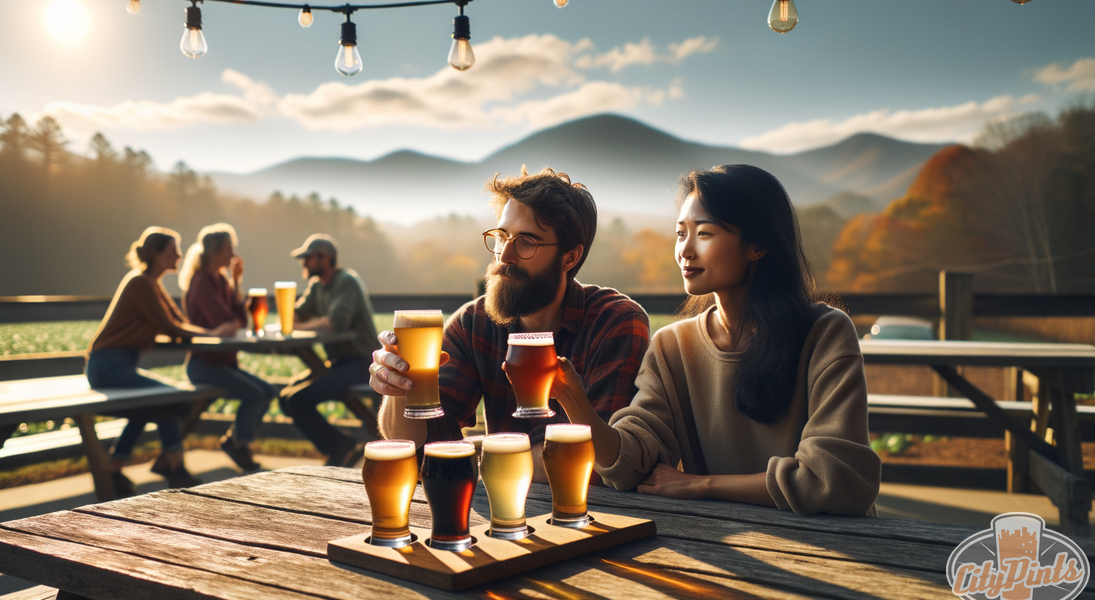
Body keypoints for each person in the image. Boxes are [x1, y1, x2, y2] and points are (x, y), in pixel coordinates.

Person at [549, 165, 881, 516]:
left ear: (757, 245)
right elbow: (630, 464)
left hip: (837, 545)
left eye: (704, 233)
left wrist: (701, 484)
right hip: (724, 539)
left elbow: (836, 480)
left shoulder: (825, 333)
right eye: (680, 234)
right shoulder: (673, 347)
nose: (685, 251)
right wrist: (574, 399)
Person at [370, 167, 651, 472]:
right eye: (502, 236)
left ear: (569, 257)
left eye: (527, 242)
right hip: (499, 505)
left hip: (596, 515)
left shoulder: (615, 323)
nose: (504, 255)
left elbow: (598, 461)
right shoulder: (473, 323)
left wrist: (475, 454)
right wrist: (398, 390)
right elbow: (418, 443)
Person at [86, 227, 237, 498]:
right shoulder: (140, 283)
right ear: (157, 255)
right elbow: (172, 327)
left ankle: (116, 466)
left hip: (117, 364)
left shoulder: (151, 284)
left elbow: (179, 323)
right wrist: (213, 334)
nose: (180, 255)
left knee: (153, 406)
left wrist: (205, 332)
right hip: (108, 365)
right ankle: (175, 467)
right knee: (170, 399)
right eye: (173, 250)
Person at [179, 223, 277, 472]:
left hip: (221, 363)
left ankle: (236, 441)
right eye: (229, 249)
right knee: (255, 394)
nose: (233, 254)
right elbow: (221, 321)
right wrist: (232, 321)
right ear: (215, 251)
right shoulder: (202, 281)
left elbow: (239, 321)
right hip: (204, 365)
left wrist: (236, 281)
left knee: (267, 390)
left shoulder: (221, 280)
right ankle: (239, 445)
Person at [279, 234, 381, 467]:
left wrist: (298, 326)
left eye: (308, 258)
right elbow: (298, 313)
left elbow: (336, 322)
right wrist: (290, 318)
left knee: (297, 400)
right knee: (286, 398)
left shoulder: (346, 281)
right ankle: (339, 445)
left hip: (362, 363)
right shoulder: (317, 286)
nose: (303, 263)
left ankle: (339, 446)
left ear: (326, 259)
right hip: (339, 363)